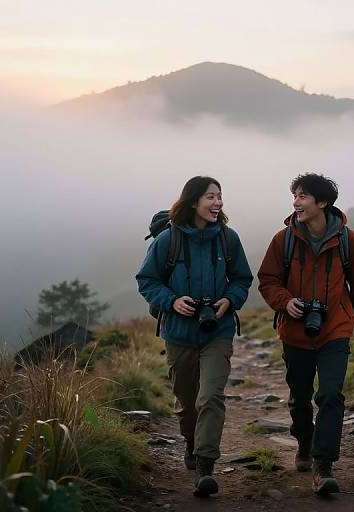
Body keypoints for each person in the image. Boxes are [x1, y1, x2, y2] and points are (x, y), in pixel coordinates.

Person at [257, 173, 354, 495]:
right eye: (295, 196)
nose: (296, 202)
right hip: (295, 332)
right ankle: (304, 441)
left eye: (302, 196)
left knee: (330, 394)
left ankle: (323, 466)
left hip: (335, 330)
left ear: (322, 202)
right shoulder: (282, 240)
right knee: (299, 399)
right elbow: (268, 280)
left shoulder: (347, 241)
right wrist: (286, 302)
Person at [136, 176, 253, 497]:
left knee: (211, 397)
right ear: (192, 202)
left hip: (218, 331)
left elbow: (242, 278)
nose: (218, 203)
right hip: (178, 333)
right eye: (210, 197)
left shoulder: (228, 239)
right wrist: (172, 301)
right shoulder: (167, 241)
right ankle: (190, 441)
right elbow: (146, 280)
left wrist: (230, 299)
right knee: (187, 404)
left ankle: (205, 466)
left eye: (220, 196)